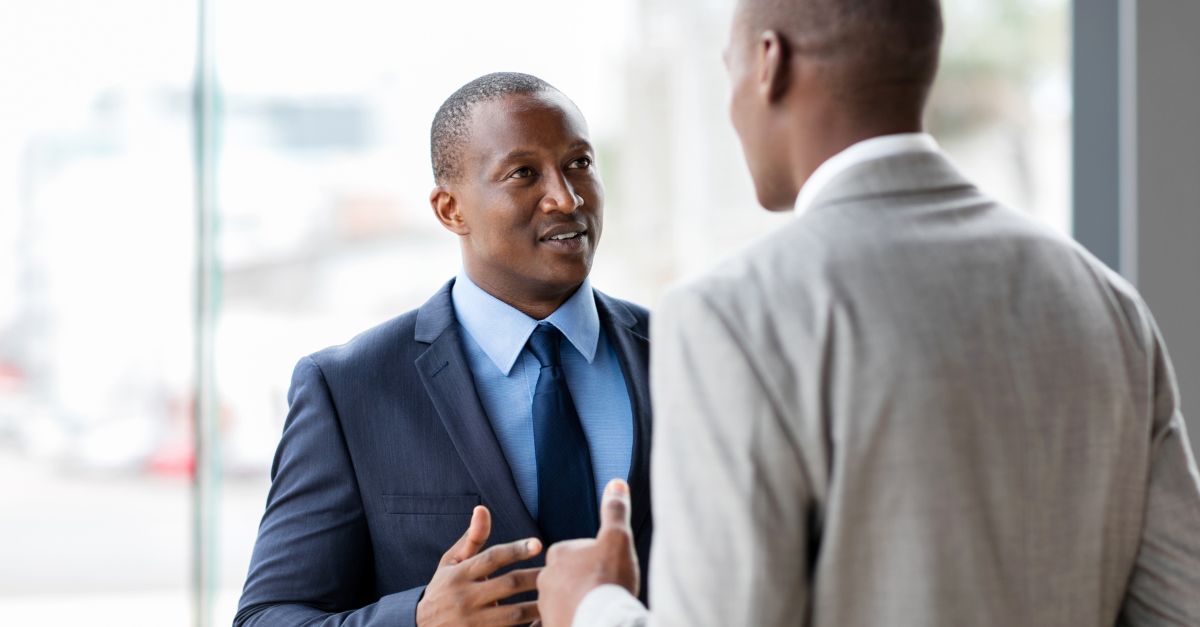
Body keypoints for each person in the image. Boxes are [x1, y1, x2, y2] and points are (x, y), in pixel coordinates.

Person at [535, 0, 1200, 625]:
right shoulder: (1106, 302)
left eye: (728, 69)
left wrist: (595, 605)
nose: (731, 106)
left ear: (770, 62)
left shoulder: (732, 316)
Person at [235, 72, 655, 627]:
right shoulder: (349, 389)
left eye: (578, 162)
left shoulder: (685, 353)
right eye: (524, 173)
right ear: (450, 209)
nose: (566, 196)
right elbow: (266, 617)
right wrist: (418, 619)